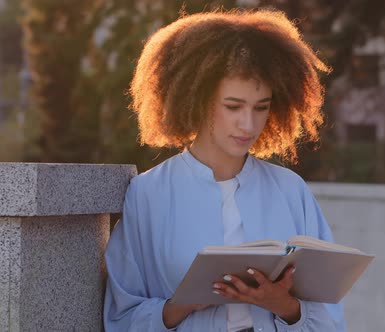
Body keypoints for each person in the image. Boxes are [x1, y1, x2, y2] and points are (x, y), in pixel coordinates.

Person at [103, 9, 345, 332]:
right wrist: (179, 307)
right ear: (197, 100)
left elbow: (330, 318)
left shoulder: (290, 190)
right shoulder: (148, 195)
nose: (248, 124)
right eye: (233, 106)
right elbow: (120, 317)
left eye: (261, 107)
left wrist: (284, 306)